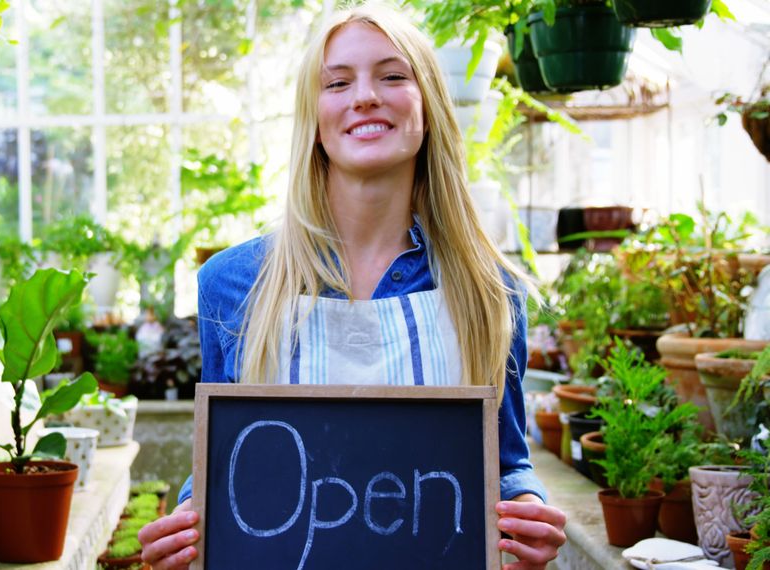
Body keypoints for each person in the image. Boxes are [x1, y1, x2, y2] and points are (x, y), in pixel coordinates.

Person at [139, 3, 567, 569]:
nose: (364, 96)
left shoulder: (489, 291)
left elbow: (505, 460)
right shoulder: (234, 285)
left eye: (392, 76)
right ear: (314, 119)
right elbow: (223, 468)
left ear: (429, 106)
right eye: (337, 82)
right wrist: (185, 529)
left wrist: (529, 511)